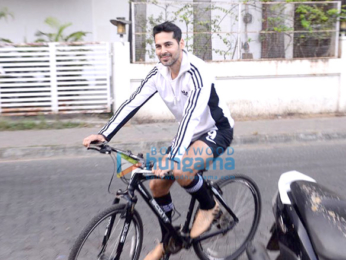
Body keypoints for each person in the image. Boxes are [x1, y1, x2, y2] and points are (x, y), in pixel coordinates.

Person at [83, 21, 234, 260]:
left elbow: (193, 116)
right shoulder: (158, 73)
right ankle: (169, 237)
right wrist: (104, 133)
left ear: (181, 44)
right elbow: (133, 102)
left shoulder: (198, 71)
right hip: (188, 133)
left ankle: (209, 207)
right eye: (158, 46)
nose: (163, 50)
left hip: (215, 129)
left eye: (168, 44)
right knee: (156, 184)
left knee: (183, 170)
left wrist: (174, 157)